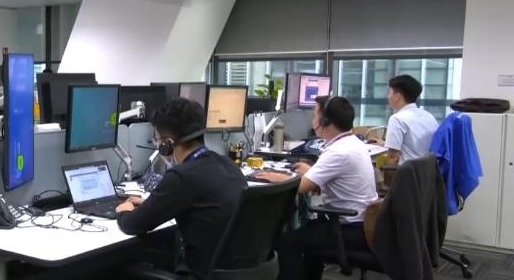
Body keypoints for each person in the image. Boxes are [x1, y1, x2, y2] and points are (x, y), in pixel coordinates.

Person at [115, 98, 247, 279]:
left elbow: (133, 225)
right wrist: (153, 204)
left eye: (157, 140)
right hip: (238, 270)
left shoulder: (181, 176)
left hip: (201, 274)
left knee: (121, 269)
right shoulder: (227, 164)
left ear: (167, 145)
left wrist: (124, 210)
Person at [256, 96, 378, 280]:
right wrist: (311, 171)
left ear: (326, 122)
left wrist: (277, 176)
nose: (312, 122)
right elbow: (328, 178)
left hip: (350, 229)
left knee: (286, 243)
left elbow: (301, 187)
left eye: (314, 116)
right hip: (362, 224)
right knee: (308, 233)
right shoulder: (352, 143)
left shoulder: (338, 152)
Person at [384, 74, 438, 165]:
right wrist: (384, 143)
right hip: (428, 170)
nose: (388, 96)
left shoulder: (397, 119)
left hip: (407, 171)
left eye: (389, 92)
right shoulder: (429, 116)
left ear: (397, 96)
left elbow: (393, 157)